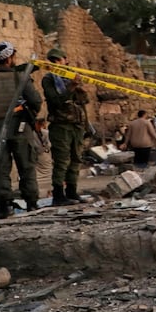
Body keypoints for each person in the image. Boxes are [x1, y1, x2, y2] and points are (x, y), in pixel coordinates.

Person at [0, 42, 43, 217]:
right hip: (20, 129)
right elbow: (36, 101)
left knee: (1, 169)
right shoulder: (21, 78)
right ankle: (31, 204)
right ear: (9, 58)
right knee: (27, 166)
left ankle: (4, 206)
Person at [42, 48, 90, 205]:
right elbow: (55, 100)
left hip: (77, 125)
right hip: (61, 125)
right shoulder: (49, 79)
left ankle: (72, 191)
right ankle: (58, 195)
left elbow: (84, 100)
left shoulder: (71, 76)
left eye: (59, 60)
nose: (57, 63)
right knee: (62, 161)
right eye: (53, 61)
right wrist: (70, 87)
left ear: (65, 60)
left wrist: (77, 85)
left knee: (76, 159)